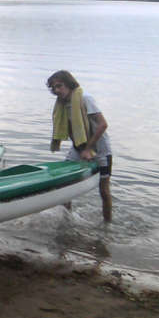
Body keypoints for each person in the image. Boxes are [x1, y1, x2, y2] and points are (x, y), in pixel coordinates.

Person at [47, 70, 113, 222]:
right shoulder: (62, 104)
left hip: (101, 149)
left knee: (104, 190)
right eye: (53, 88)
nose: (57, 90)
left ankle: (107, 225)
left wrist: (89, 149)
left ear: (69, 84)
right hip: (78, 147)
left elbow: (103, 125)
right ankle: (67, 220)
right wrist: (81, 149)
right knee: (64, 182)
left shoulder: (85, 99)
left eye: (59, 86)